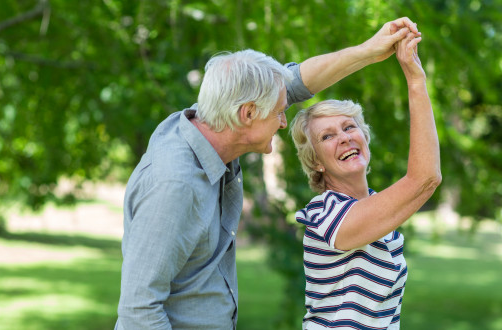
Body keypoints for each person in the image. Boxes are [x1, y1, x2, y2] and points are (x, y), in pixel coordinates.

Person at [115, 18, 421, 330]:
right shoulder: (175, 184)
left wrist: (369, 50)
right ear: (247, 114)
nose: (283, 122)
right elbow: (139, 311)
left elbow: (296, 83)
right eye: (278, 112)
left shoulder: (214, 118)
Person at [289, 24, 441, 330]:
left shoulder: (381, 219)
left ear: (364, 138)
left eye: (348, 127)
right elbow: (425, 178)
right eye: (327, 136)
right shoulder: (324, 214)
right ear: (316, 162)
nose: (344, 138)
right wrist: (415, 79)